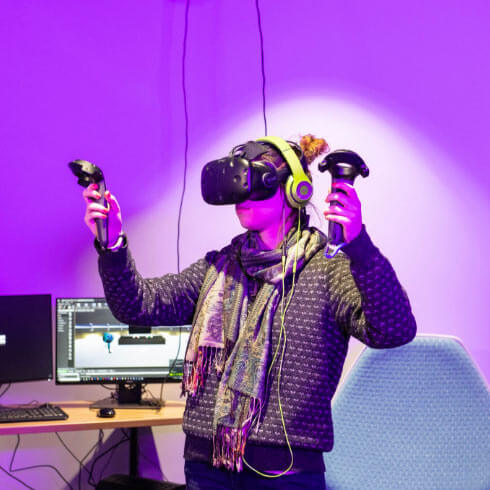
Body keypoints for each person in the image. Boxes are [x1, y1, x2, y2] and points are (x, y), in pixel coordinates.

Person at [82, 134, 417, 489]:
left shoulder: (327, 267)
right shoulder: (221, 266)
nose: (242, 196)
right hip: (206, 467)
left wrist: (359, 244)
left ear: (295, 191)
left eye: (254, 183)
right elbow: (138, 305)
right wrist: (112, 243)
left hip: (287, 473)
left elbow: (393, 330)